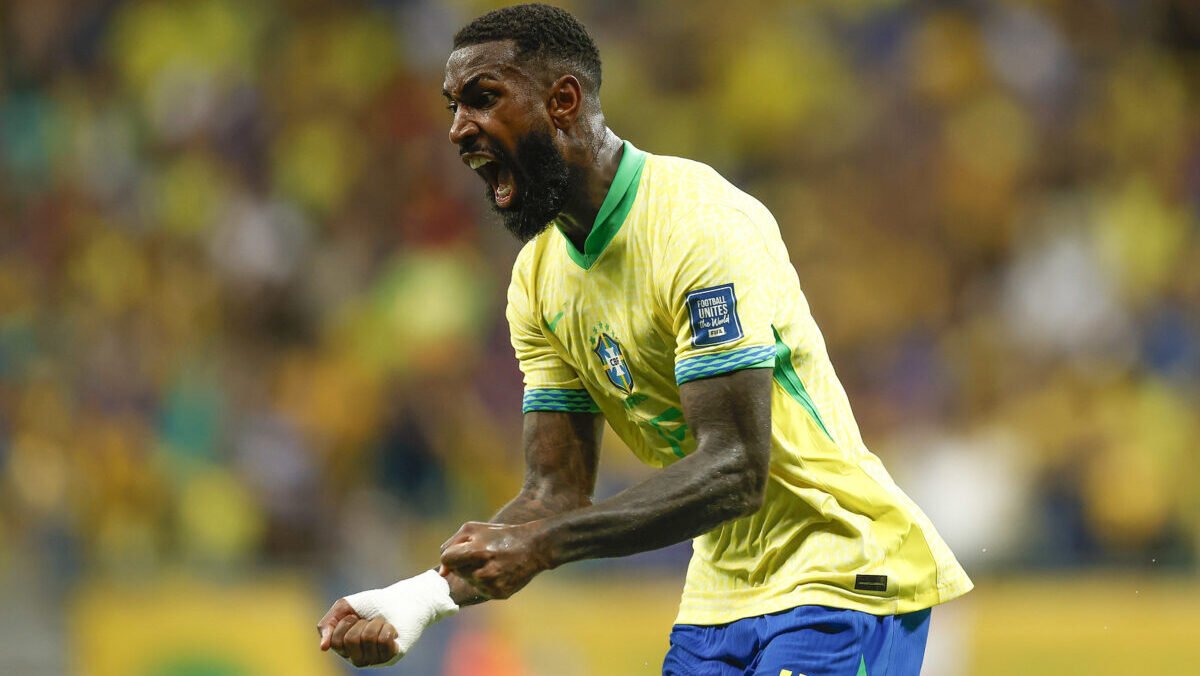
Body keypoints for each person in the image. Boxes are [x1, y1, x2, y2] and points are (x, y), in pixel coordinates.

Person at [317, 4, 972, 674]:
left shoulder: (697, 226)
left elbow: (737, 469)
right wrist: (423, 597)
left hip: (840, 572)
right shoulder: (539, 281)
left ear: (564, 101)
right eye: (453, 106)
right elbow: (553, 495)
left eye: (482, 99)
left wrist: (545, 544)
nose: (458, 129)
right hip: (721, 594)